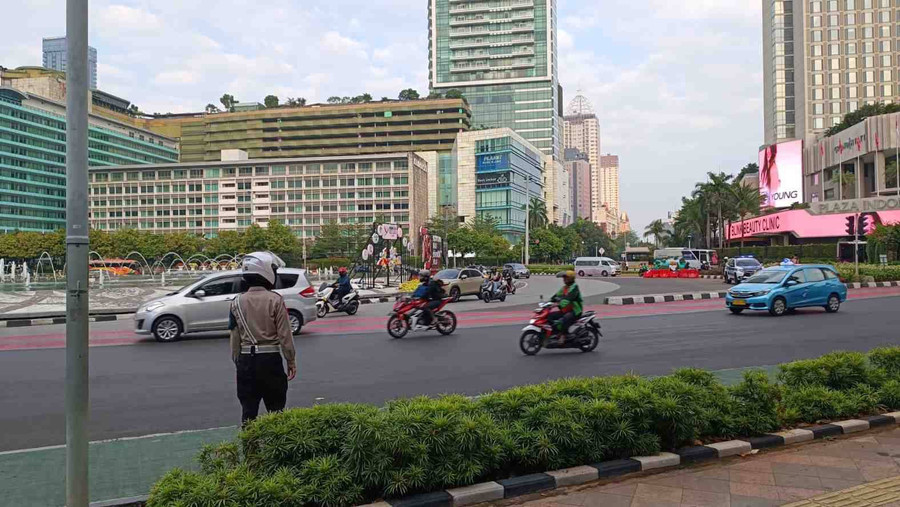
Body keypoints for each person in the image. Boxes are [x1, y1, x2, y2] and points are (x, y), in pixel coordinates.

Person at [229, 251, 297, 424]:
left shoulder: (236, 302)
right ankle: (276, 449)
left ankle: (250, 449)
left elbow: (234, 336)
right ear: (265, 271)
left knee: (248, 413)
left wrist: (238, 362)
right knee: (276, 413)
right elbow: (285, 335)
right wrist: (290, 360)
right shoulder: (275, 300)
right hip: (270, 361)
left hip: (246, 362)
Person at [549, 271, 583, 344]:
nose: (564, 279)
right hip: (565, 310)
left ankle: (564, 335)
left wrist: (558, 304)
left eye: (566, 278)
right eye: (564, 278)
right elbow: (556, 295)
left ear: (571, 278)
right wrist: (549, 302)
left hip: (575, 311)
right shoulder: (564, 288)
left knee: (565, 318)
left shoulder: (574, 288)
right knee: (549, 316)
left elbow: (568, 299)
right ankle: (556, 332)